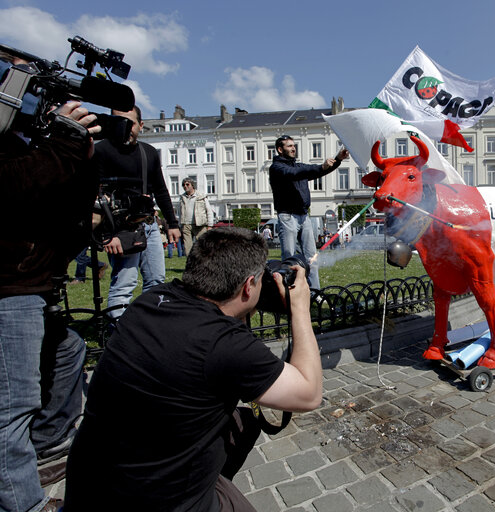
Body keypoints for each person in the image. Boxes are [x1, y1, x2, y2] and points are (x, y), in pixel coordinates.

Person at [64, 228, 323, 511]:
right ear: (248, 286)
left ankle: (209, 480)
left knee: (244, 422)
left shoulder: (150, 300)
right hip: (152, 501)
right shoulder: (224, 344)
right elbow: (309, 394)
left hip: (88, 487)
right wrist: (300, 309)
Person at [1, 90, 100, 510]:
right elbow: (13, 189)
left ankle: (40, 447)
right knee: (12, 403)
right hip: (8, 286)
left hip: (33, 281)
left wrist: (82, 155)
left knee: (69, 350)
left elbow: (68, 207)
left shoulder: (27, 144)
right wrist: (61, 140)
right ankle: (24, 503)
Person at [94, 106, 181, 318]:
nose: (124, 128)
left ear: (141, 126)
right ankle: (119, 335)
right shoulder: (102, 150)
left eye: (130, 123)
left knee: (156, 281)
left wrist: (173, 223)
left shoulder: (148, 152)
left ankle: (146, 329)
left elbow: (160, 190)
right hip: (120, 226)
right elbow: (95, 195)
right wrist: (108, 235)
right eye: (118, 122)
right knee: (124, 283)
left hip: (148, 223)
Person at [269, 135, 349, 289]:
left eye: (294, 145)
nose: (293, 148)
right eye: (289, 146)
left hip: (304, 216)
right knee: (289, 258)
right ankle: (290, 294)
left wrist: (337, 159)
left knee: (312, 258)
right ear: (280, 149)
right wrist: (319, 167)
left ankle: (315, 292)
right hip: (287, 217)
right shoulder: (278, 168)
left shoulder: (299, 167)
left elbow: (316, 172)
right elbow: (295, 174)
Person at [179, 177, 214, 252]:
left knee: (203, 246)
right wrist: (180, 225)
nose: (185, 186)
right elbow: (180, 212)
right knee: (187, 248)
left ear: (192, 185)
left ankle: (204, 262)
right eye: (183, 185)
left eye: (187, 184)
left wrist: (210, 225)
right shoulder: (182, 198)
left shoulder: (201, 196)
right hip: (186, 225)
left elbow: (209, 211)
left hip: (199, 225)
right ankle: (190, 263)